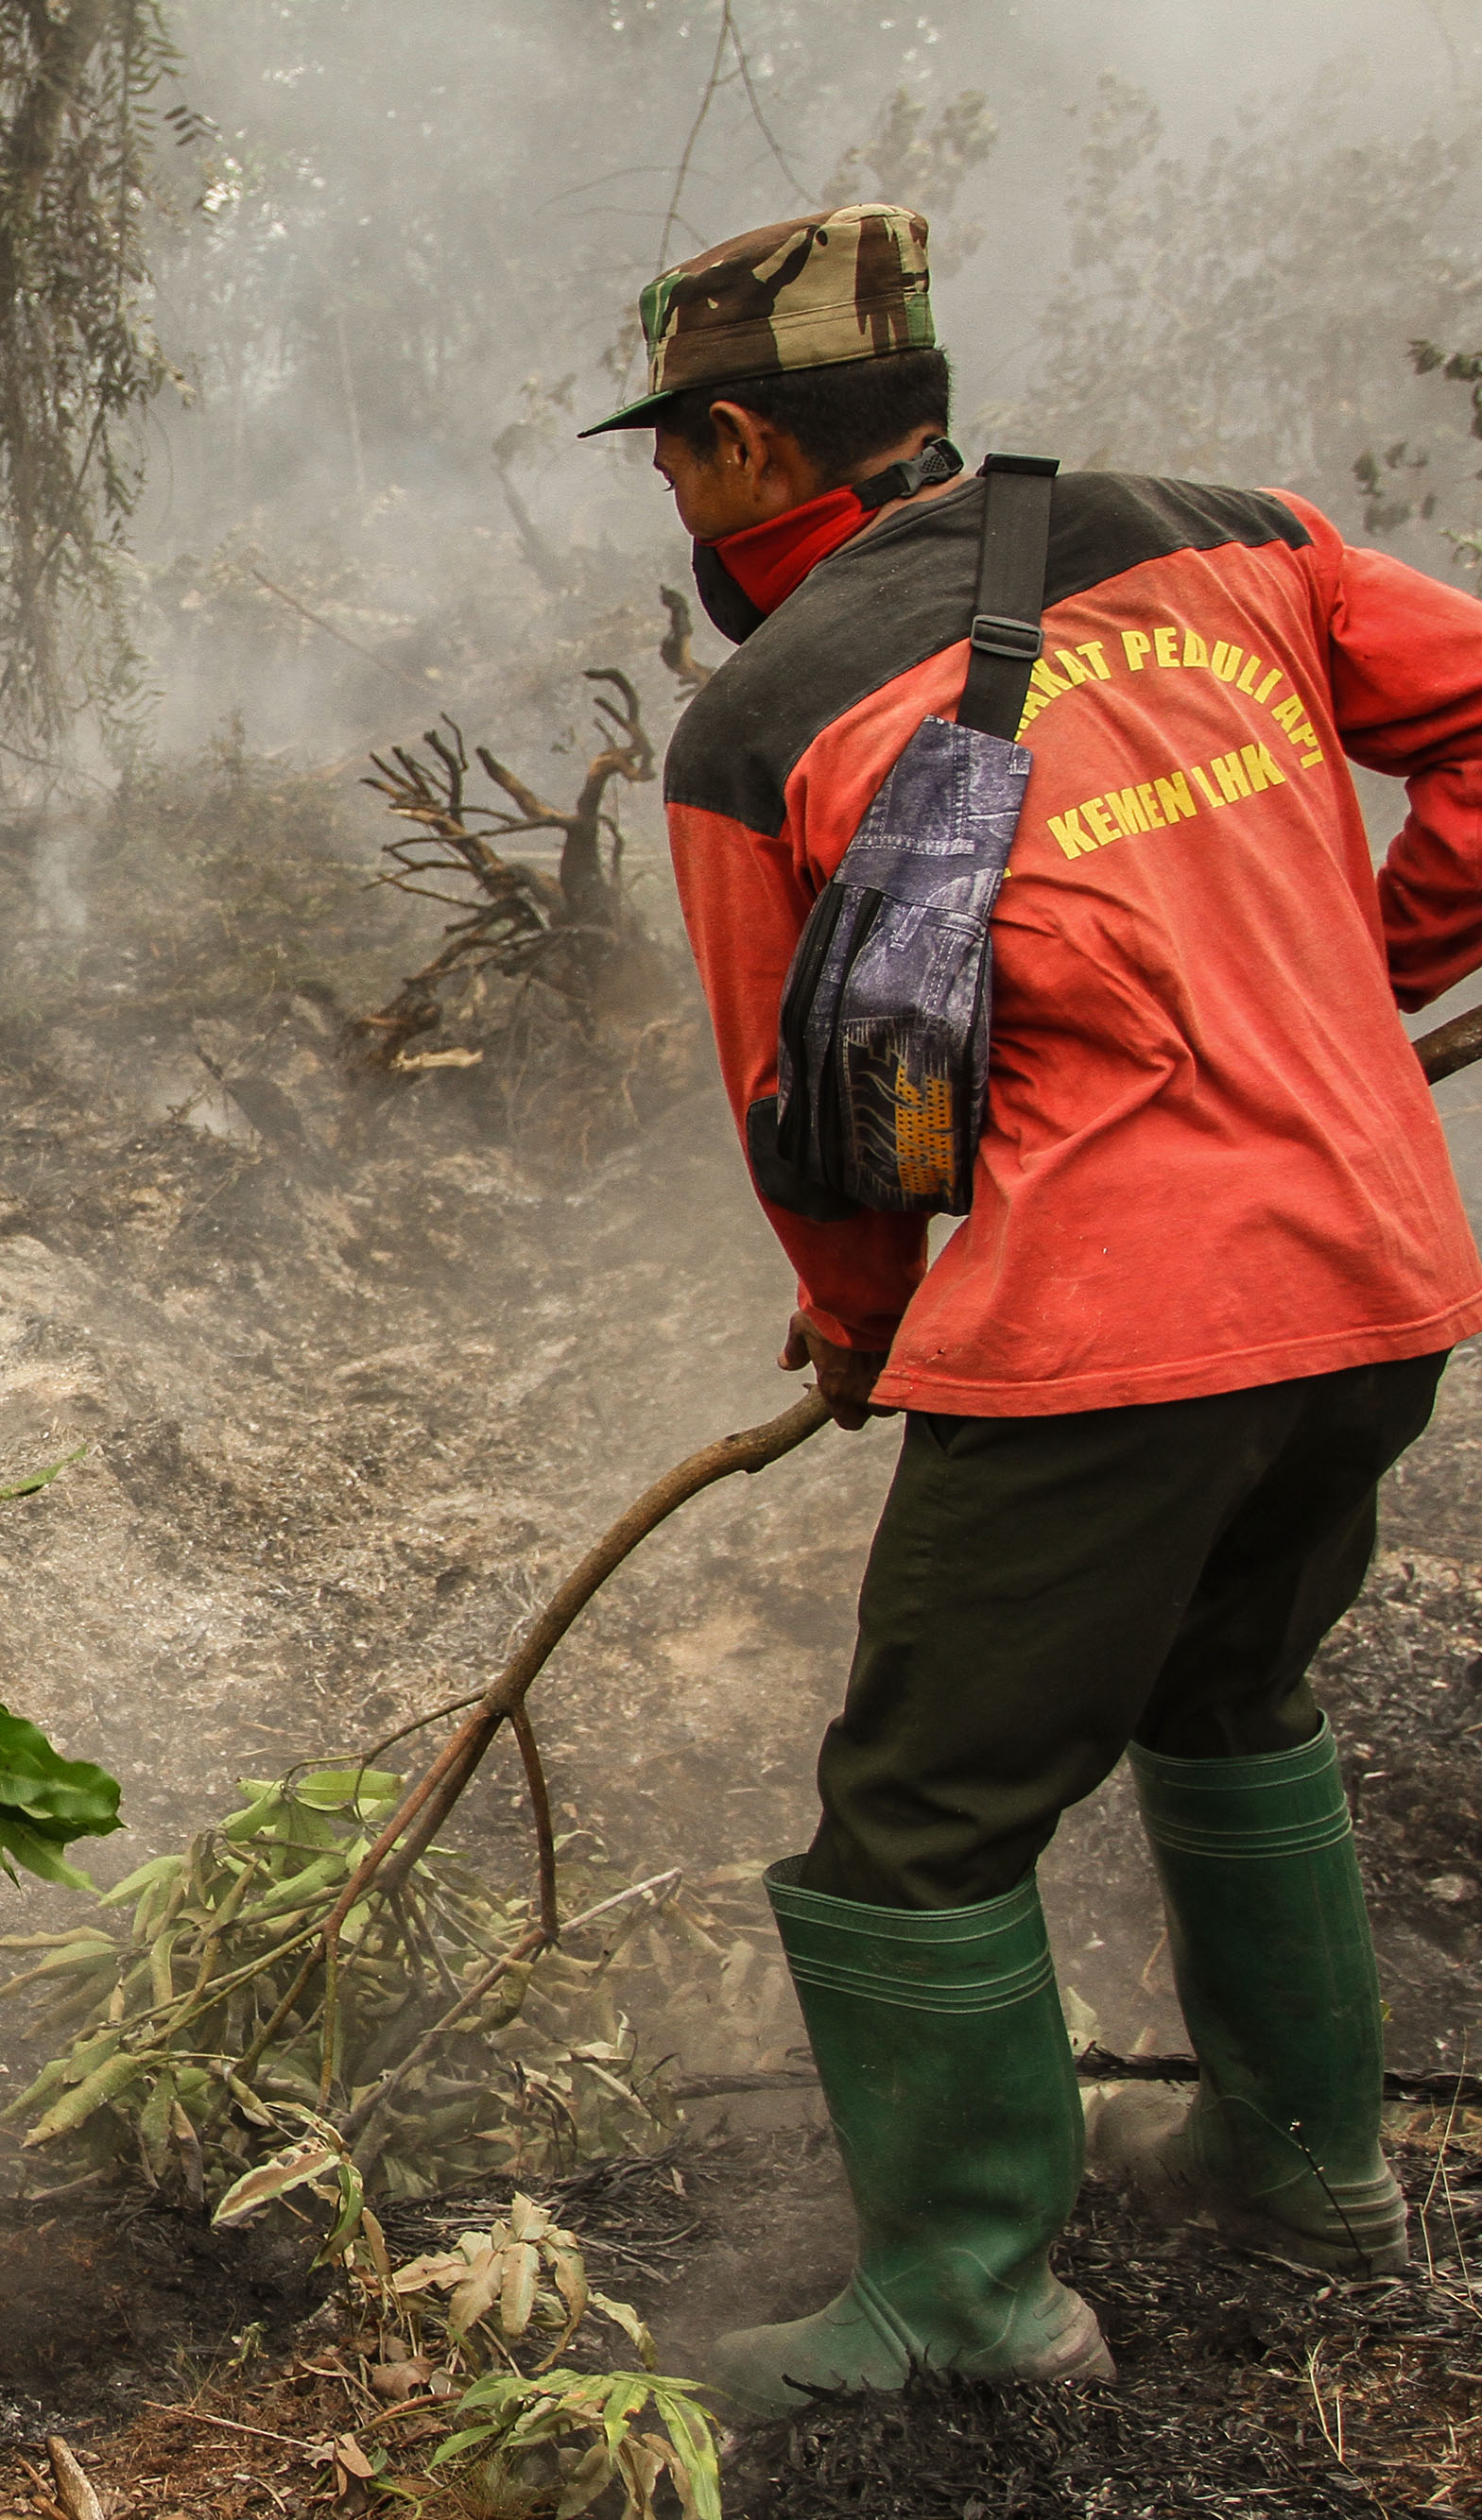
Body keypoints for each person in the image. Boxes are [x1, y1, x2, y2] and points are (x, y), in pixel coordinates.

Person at [596, 201, 1482, 2415]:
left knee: (914, 1808)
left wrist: (855, 1325)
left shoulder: (759, 720)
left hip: (1124, 1323)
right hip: (1379, 1272)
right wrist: (1355, 975)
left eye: (669, 451)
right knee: (1226, 1686)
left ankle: (961, 2296)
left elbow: (803, 1121)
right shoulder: (1226, 532)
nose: (668, 492)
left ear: (741, 443)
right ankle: (1302, 2167)